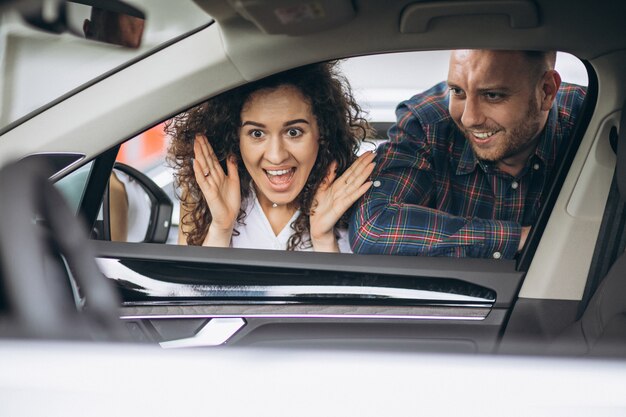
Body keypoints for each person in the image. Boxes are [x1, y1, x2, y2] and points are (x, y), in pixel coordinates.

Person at [350, 50, 586, 259]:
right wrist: (524, 238)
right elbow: (373, 227)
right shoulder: (427, 123)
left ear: (546, 91)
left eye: (492, 95)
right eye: (458, 91)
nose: (469, 118)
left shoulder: (595, 121)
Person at [167, 62, 375, 252]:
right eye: (257, 134)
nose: (276, 156)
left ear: (322, 131)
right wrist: (221, 228)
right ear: (235, 137)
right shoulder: (205, 197)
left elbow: (346, 294)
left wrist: (323, 240)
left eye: (293, 132)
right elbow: (190, 293)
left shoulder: (356, 207)